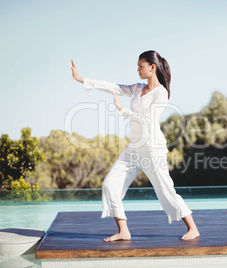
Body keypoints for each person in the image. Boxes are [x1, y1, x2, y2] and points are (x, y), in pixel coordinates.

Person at [71, 50, 200, 241]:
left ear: (152, 67)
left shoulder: (161, 93)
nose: (138, 70)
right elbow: (114, 87)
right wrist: (83, 80)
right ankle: (123, 230)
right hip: (134, 148)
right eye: (137, 66)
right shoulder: (138, 88)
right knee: (109, 185)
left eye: (141, 66)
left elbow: (148, 120)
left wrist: (123, 110)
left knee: (165, 190)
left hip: (152, 149)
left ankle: (193, 228)